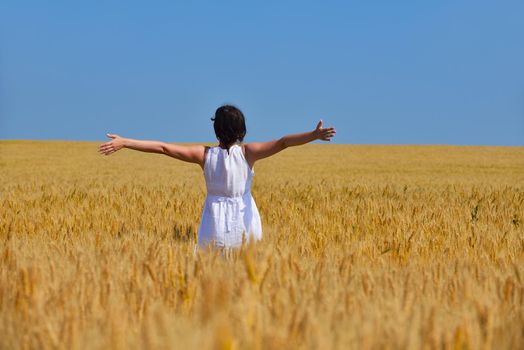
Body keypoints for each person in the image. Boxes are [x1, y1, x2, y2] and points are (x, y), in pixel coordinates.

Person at [98, 105, 336, 248]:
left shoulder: (204, 155)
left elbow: (162, 147)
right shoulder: (247, 153)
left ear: (216, 130)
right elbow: (284, 142)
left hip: (214, 220)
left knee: (214, 269)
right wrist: (313, 135)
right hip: (244, 220)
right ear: (242, 130)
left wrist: (126, 142)